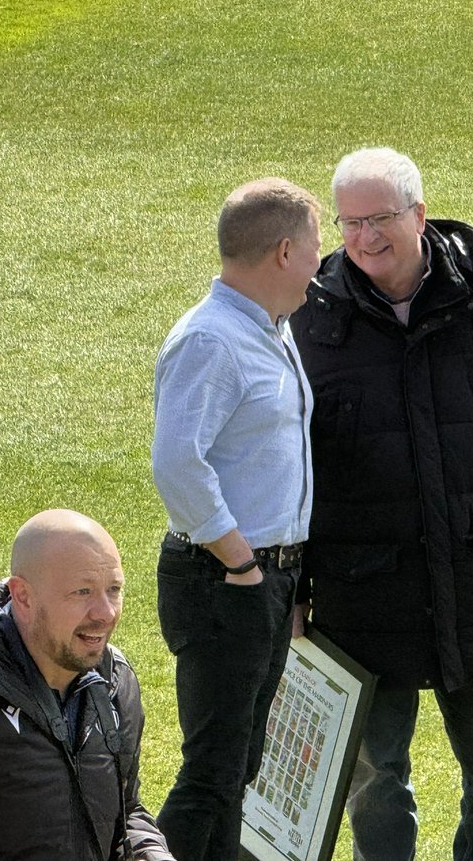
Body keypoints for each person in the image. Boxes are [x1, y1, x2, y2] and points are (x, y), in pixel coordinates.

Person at [291, 147, 473, 861]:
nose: (366, 237)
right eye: (351, 222)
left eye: (382, 219)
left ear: (419, 216)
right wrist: (289, 588)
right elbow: (287, 467)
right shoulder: (307, 311)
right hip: (363, 594)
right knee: (374, 781)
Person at [151, 177, 322, 861]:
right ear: (284, 252)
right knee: (214, 773)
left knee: (237, 769)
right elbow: (177, 465)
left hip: (260, 580)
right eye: (316, 246)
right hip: (224, 579)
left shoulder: (270, 330)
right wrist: (243, 564)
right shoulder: (212, 342)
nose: (322, 261)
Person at [0, 509, 175, 860]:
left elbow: (124, 810)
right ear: (23, 597)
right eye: (82, 591)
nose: (105, 613)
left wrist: (151, 853)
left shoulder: (116, 683)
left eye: (114, 589)